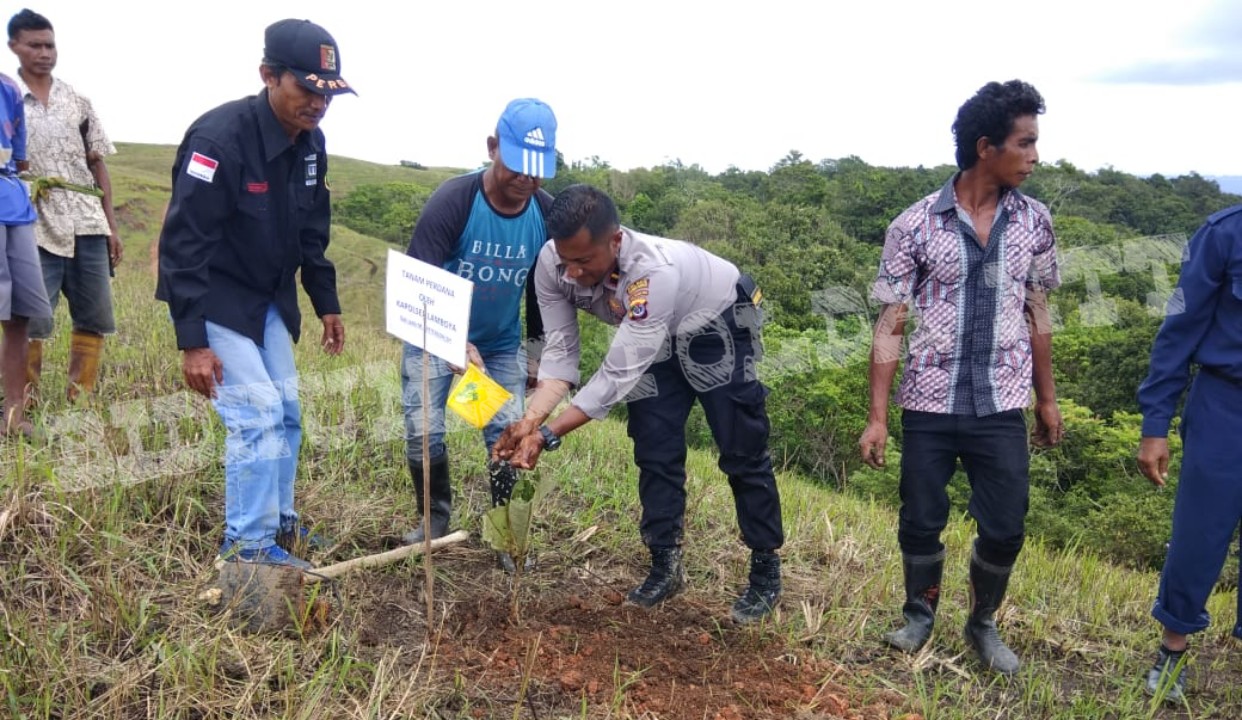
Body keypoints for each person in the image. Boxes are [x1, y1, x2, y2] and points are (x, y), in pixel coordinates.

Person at [493, 183, 785, 624]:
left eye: (584, 262)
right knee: (654, 444)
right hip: (653, 338)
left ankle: (766, 570)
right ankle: (665, 564)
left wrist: (549, 435)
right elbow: (561, 354)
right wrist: (530, 419)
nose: (571, 273)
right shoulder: (552, 264)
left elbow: (617, 373)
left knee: (741, 444)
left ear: (615, 241)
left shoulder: (653, 274)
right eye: (565, 259)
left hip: (718, 326)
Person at [858, 80, 1063, 675]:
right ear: (984, 147)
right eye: (1024, 144)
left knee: (1005, 525)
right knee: (920, 517)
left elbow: (1039, 311)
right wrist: (878, 416)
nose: (1034, 156)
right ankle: (919, 616)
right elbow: (891, 319)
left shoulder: (1036, 221)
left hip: (1002, 401)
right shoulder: (914, 224)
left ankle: (982, 622)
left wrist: (1047, 400)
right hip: (929, 401)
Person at [157, 19, 353, 569]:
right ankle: (246, 547)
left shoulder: (312, 146)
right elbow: (184, 245)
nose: (318, 104)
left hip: (267, 297)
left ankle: (280, 522)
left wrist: (326, 302)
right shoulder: (219, 141)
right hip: (217, 295)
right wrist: (192, 341)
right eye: (307, 89)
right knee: (257, 413)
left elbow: (313, 233)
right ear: (269, 75)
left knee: (288, 411)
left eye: (327, 93)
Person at [398, 98, 557, 573]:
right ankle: (434, 521)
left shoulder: (544, 213)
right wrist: (452, 343)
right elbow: (416, 281)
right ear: (492, 148)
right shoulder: (456, 200)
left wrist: (535, 355)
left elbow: (541, 290)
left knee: (507, 432)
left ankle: (507, 536)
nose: (526, 180)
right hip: (433, 338)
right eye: (517, 166)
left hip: (499, 345)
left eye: (537, 170)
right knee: (423, 429)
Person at [1136, 205, 1242, 701]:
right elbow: (1177, 329)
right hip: (1226, 403)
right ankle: (1171, 650)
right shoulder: (1224, 234)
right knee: (1200, 531)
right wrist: (1155, 424)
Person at [7, 9, 121, 402]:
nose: (44, 52)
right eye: (34, 45)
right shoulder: (7, 99)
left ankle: (81, 399)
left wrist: (112, 226)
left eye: (49, 45)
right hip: (32, 222)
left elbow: (98, 164)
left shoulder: (78, 101)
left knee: (94, 315)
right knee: (30, 316)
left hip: (86, 220)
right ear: (14, 47)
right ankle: (24, 401)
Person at [0, 69, 50, 436]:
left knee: (19, 314)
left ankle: (13, 415)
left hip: (12, 206)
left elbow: (18, 158)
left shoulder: (8, 88)